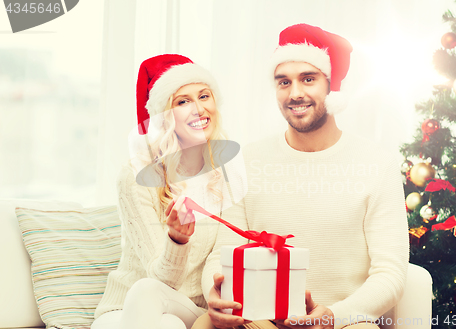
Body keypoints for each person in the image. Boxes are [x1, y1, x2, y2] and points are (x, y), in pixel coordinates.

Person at [195, 24, 409, 329]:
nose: (295, 94)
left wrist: (334, 316)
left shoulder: (377, 165)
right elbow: (220, 255)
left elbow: (391, 274)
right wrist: (214, 295)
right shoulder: (245, 162)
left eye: (308, 79)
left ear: (331, 86)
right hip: (258, 320)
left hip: (341, 323)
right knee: (206, 324)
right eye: (284, 82)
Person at [91, 54, 234, 329]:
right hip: (124, 310)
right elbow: (160, 282)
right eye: (182, 102)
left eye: (204, 96)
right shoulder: (136, 176)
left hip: (190, 309)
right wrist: (177, 240)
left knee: (169, 320)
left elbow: (221, 258)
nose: (198, 109)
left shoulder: (225, 175)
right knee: (154, 304)